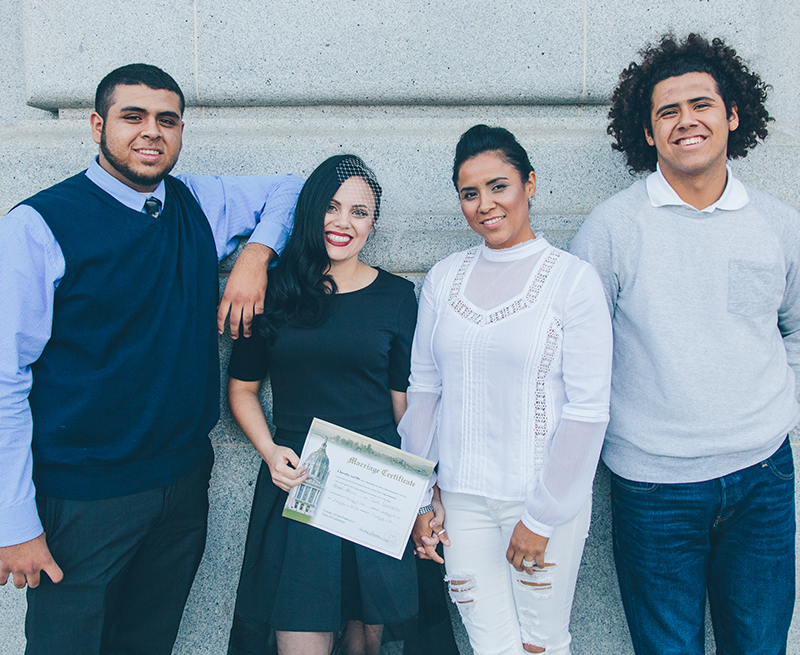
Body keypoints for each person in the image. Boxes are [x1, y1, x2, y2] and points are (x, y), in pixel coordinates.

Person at [0, 63, 303, 654]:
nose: (151, 132)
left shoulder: (195, 202)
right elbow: (4, 380)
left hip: (181, 485)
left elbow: (290, 187)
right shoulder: (39, 226)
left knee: (148, 644)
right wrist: (14, 521)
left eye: (167, 120)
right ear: (96, 125)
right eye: (132, 116)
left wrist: (255, 256)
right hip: (81, 499)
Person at [570, 33, 798, 655]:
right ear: (647, 133)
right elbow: (573, 353)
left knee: (760, 646)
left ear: (732, 116)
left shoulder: (778, 225)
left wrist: (780, 412)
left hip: (763, 478)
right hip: (652, 488)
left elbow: (796, 328)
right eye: (667, 111)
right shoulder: (612, 229)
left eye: (701, 105)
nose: (685, 121)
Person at [226, 154, 456, 655]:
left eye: (360, 211)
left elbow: (407, 410)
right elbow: (242, 390)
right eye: (332, 207)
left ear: (373, 223)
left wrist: (428, 494)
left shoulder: (397, 297)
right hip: (301, 485)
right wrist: (270, 452)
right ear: (312, 211)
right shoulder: (276, 290)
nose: (343, 222)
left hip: (374, 489)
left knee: (364, 647)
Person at [399, 125, 613, 655]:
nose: (485, 205)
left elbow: (588, 412)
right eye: (469, 194)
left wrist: (540, 518)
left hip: (541, 500)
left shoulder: (572, 280)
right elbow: (424, 391)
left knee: (541, 644)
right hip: (462, 502)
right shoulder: (444, 278)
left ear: (530, 184)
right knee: (490, 646)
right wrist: (420, 495)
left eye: (499, 186)